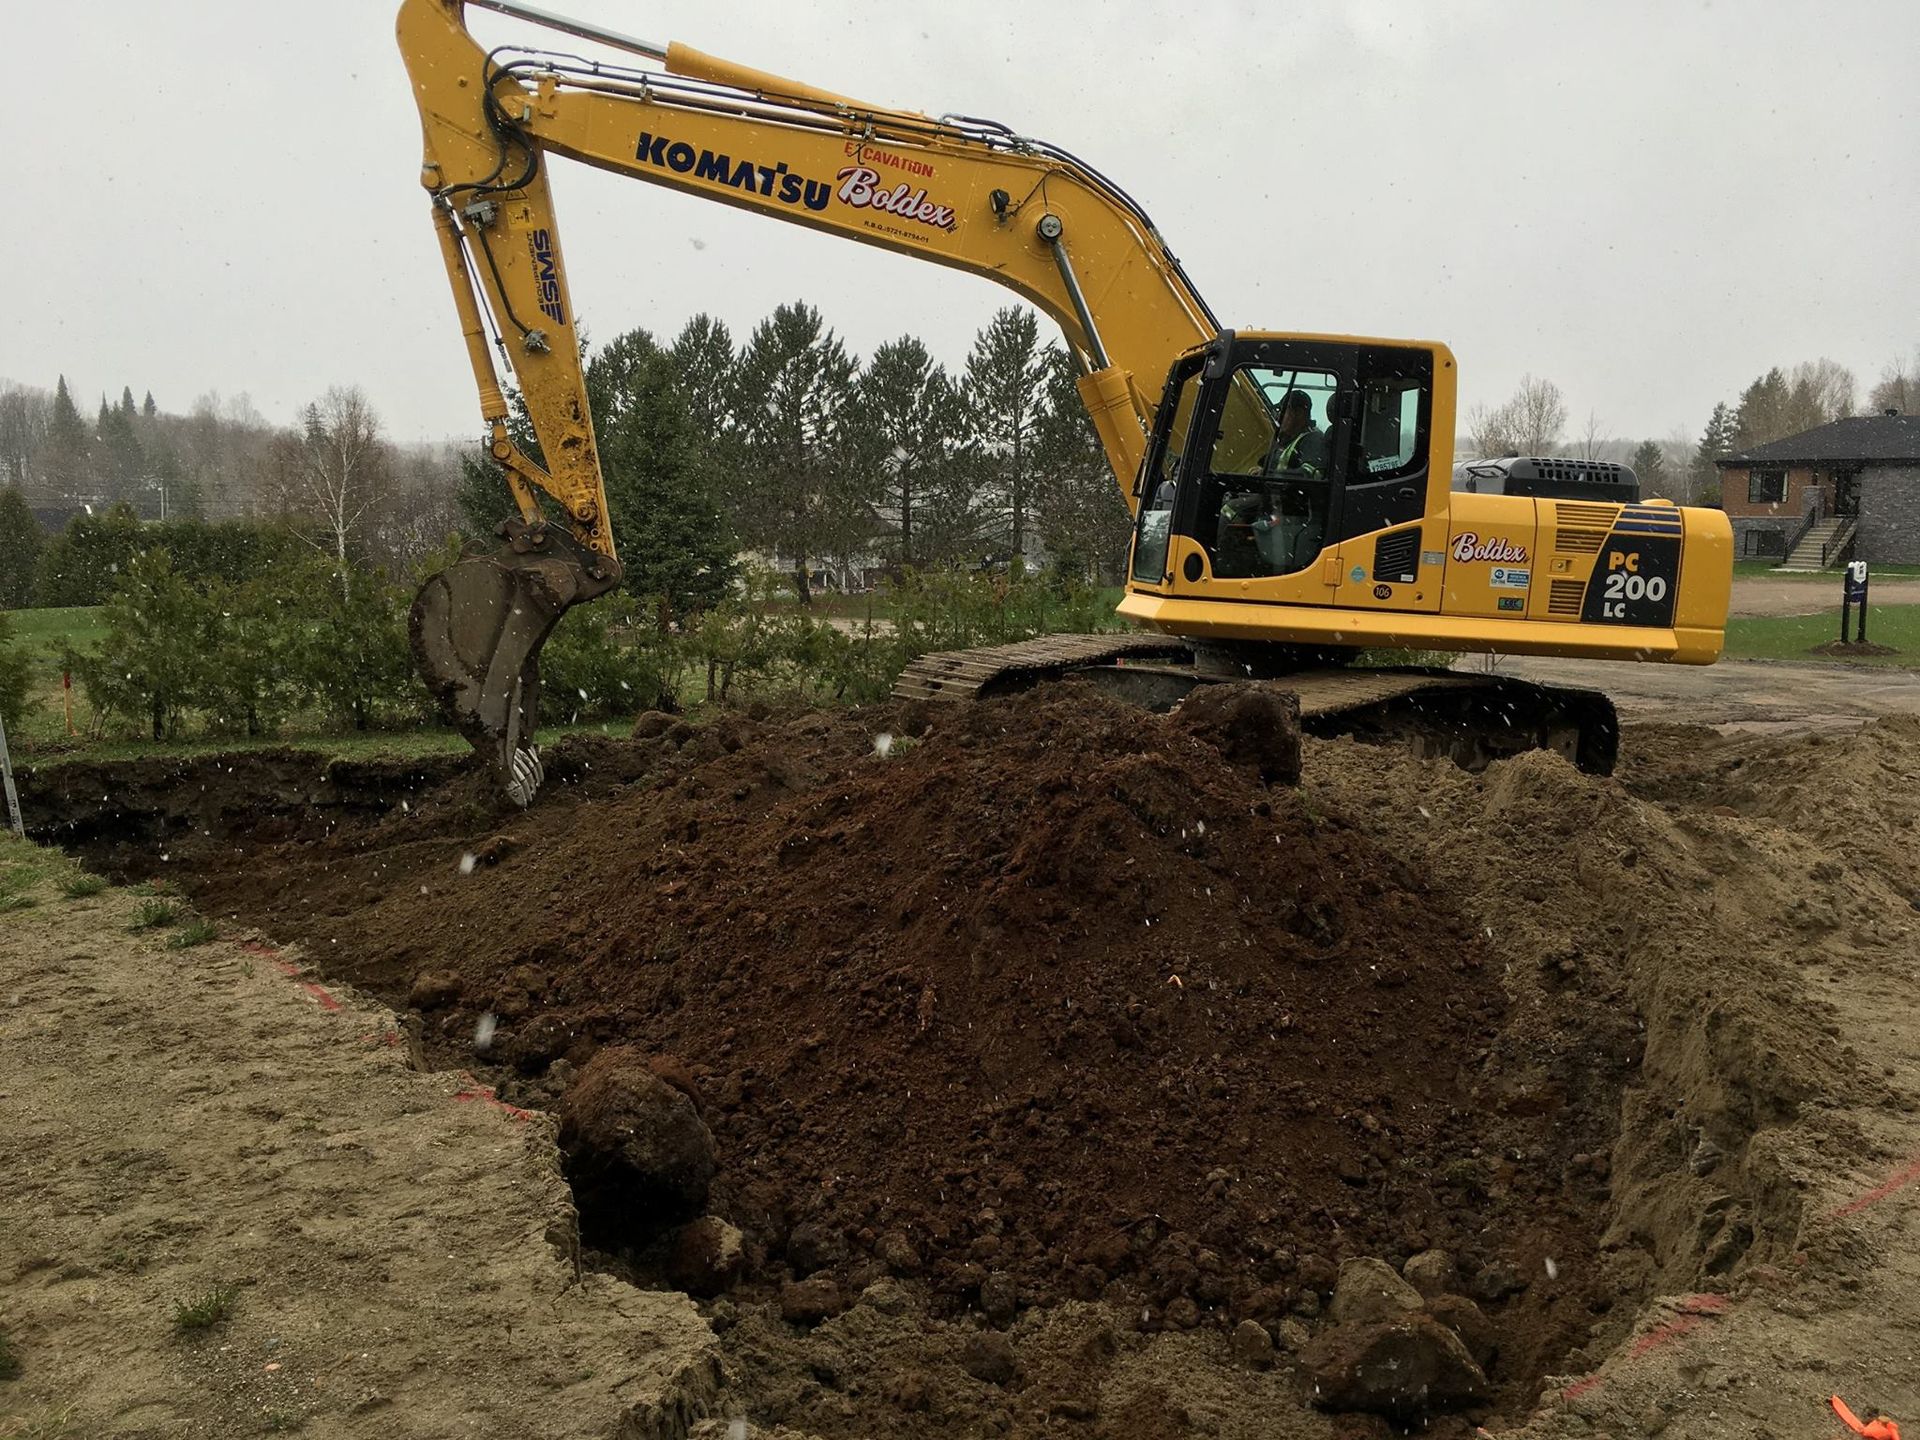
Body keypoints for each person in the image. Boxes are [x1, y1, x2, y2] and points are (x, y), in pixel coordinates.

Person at [1268, 389, 1329, 475]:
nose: (1278, 416)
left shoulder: (1313, 439)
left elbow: (1308, 474)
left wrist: (1270, 476)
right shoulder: (1287, 441)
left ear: (1299, 413)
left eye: (1284, 410)